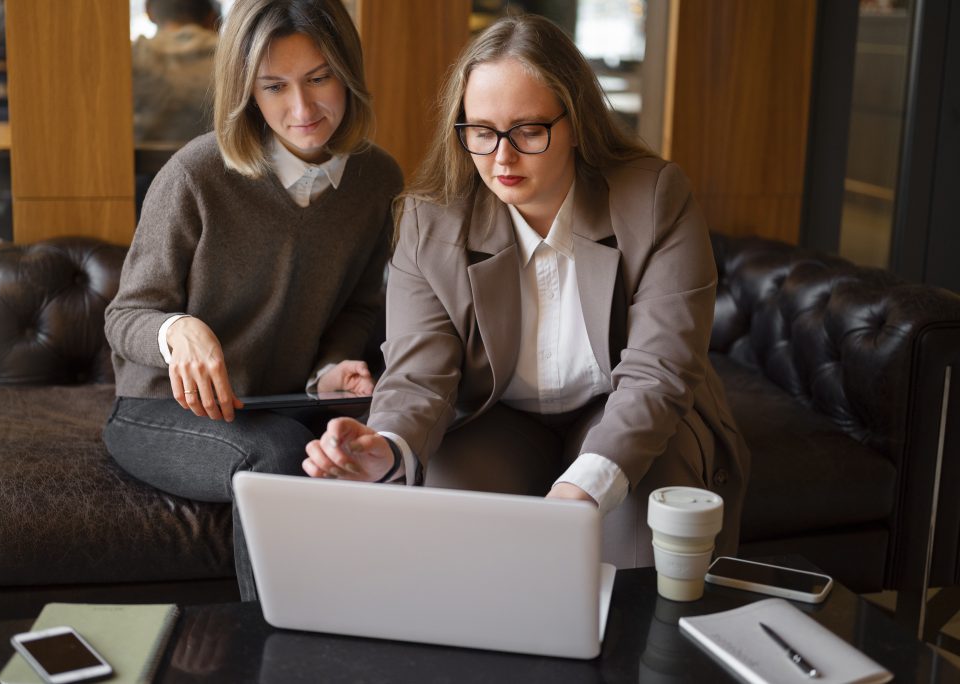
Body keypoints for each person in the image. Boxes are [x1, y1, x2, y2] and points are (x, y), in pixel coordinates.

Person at [302, 14, 749, 564]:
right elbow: (420, 375)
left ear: (577, 122)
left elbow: (659, 373)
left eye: (529, 131)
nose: (501, 158)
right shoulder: (429, 221)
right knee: (455, 541)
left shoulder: (653, 197)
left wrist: (584, 487)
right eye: (481, 132)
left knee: (630, 550)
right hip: (499, 417)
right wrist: (388, 447)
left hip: (630, 410)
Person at [103, 0, 403, 600]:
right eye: (275, 86)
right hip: (161, 411)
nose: (302, 109)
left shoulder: (378, 181)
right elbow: (124, 316)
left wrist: (332, 368)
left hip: (282, 400)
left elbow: (359, 307)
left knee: (391, 445)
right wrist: (178, 330)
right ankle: (272, 652)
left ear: (347, 70)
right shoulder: (196, 174)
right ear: (247, 90)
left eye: (320, 78)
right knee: (279, 454)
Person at [132, 0, 220, 143]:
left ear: (148, 11)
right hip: (217, 163)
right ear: (211, 15)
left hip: (139, 164)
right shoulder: (233, 55)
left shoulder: (131, 57)